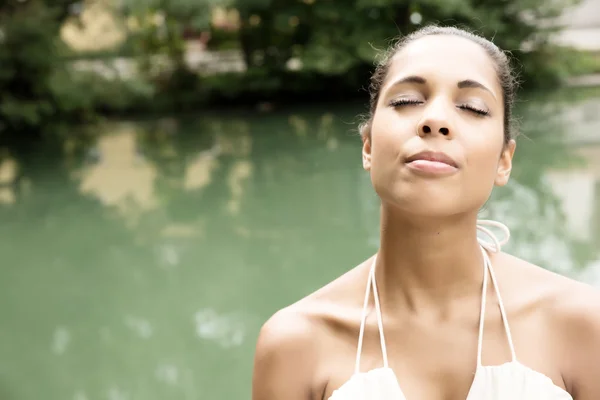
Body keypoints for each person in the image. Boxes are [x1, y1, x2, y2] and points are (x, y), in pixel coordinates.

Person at [251, 25, 600, 400]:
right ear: (368, 146)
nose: (435, 120)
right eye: (405, 101)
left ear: (504, 161)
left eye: (472, 107)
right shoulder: (296, 344)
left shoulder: (582, 323)